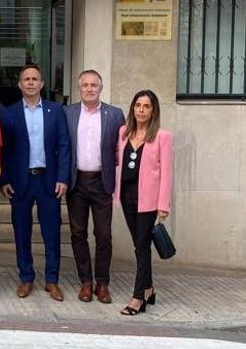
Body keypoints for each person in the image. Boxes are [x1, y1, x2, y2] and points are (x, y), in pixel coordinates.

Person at [0, 64, 71, 302]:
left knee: (52, 232)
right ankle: (26, 277)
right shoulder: (9, 113)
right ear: (19, 84)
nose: (30, 82)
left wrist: (63, 177)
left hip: (49, 181)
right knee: (22, 232)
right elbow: (4, 150)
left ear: (41, 84)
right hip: (20, 182)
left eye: (35, 79)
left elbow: (64, 145)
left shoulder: (55, 110)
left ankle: (52, 280)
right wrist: (4, 180)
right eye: (26, 79)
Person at [64, 70, 125, 304]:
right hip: (76, 181)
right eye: (85, 85)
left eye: (94, 85)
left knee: (103, 235)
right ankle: (85, 283)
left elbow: (121, 148)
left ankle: (102, 283)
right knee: (78, 233)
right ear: (79, 88)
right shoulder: (67, 113)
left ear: (101, 88)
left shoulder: (114, 114)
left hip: (102, 182)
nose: (89, 89)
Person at [116, 89, 173, 316]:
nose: (141, 110)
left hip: (148, 201)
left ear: (153, 110)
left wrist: (163, 205)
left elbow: (166, 173)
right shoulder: (123, 132)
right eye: (138, 105)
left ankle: (138, 297)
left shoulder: (162, 136)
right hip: (127, 197)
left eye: (146, 106)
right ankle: (149, 289)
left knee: (142, 249)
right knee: (139, 246)